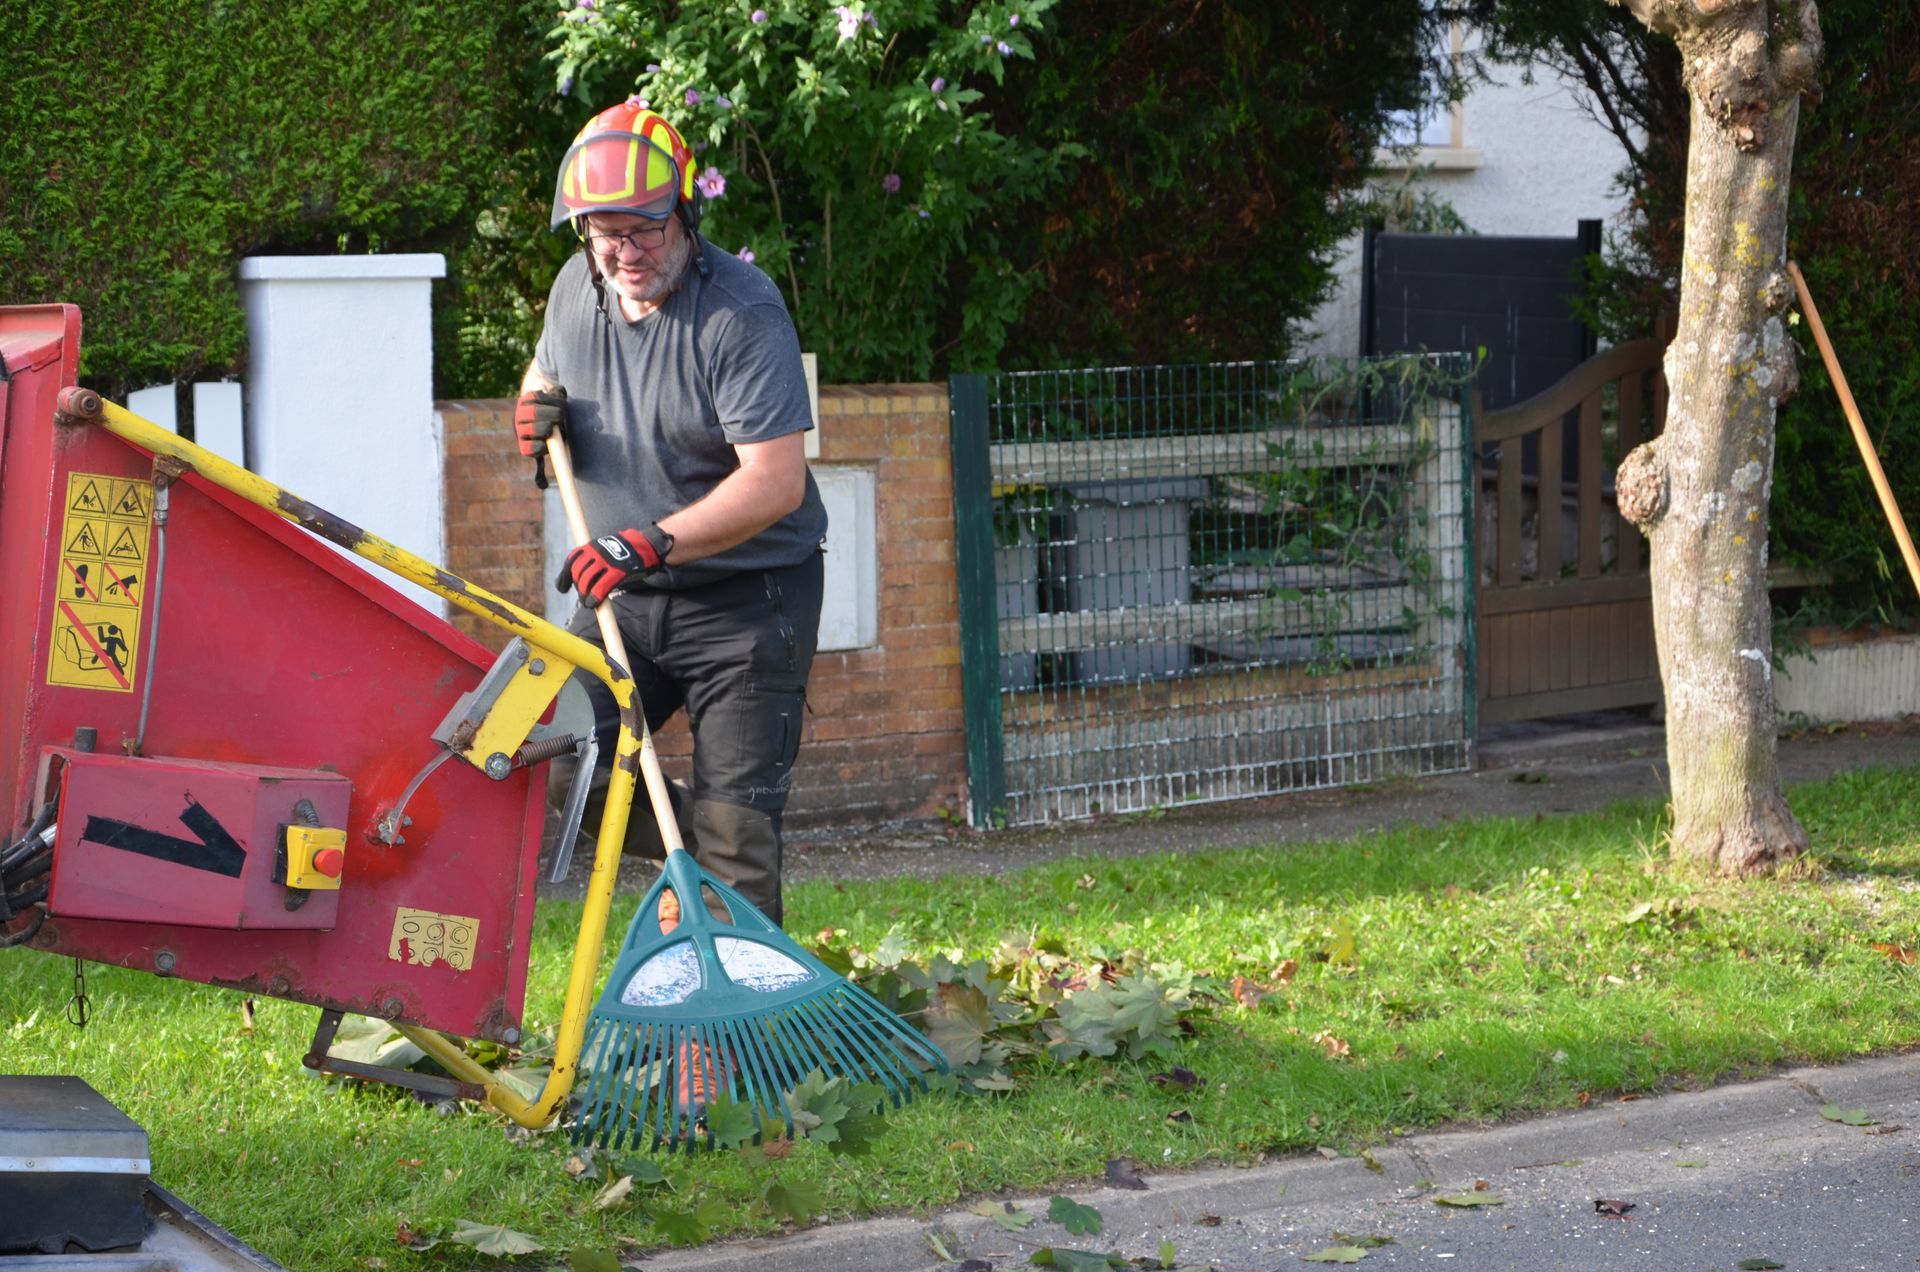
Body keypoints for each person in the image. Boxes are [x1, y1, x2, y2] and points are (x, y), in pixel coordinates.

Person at [515, 100, 826, 930]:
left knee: (740, 850)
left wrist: (648, 541)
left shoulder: (741, 314)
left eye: (643, 230)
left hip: (748, 603)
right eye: (602, 231)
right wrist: (535, 409)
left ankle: (740, 1039)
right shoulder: (576, 290)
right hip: (626, 599)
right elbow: (544, 377)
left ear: (684, 212)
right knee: (547, 759)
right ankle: (715, 842)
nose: (622, 252)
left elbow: (776, 481)